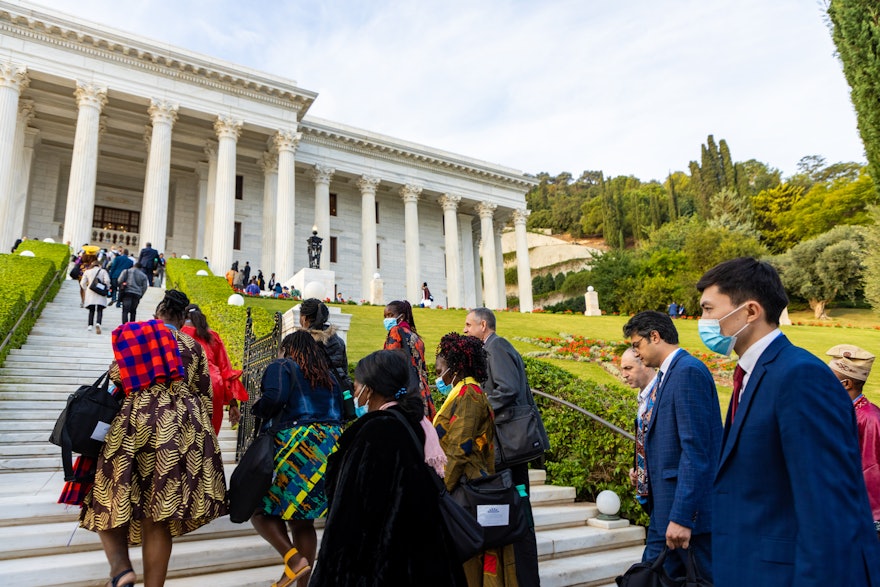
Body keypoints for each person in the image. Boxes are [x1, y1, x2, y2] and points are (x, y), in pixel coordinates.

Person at [696, 257, 880, 586]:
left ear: (750, 311)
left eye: (709, 309)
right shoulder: (751, 375)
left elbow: (828, 512)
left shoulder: (800, 376)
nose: (702, 321)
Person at [72, 290, 227, 587]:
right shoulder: (192, 346)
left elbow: (116, 376)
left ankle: (121, 569)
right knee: (159, 515)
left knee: (107, 496)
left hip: (138, 421)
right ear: (183, 319)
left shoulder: (138, 337)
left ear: (157, 314)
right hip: (183, 428)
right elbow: (206, 394)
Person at [310, 350, 467, 586]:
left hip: (380, 564)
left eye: (356, 385)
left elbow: (349, 515)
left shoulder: (375, 431)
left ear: (369, 389)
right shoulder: (413, 423)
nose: (354, 393)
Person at [622, 311, 721, 580]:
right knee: (646, 578)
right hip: (664, 510)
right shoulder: (670, 374)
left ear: (655, 336)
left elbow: (695, 451)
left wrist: (682, 516)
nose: (637, 353)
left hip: (685, 517)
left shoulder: (687, 372)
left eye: (637, 345)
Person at [251, 331, 344, 587]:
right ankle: (303, 584)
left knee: (257, 508)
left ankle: (293, 560)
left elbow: (273, 399)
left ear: (287, 349)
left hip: (297, 443)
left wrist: (257, 407)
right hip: (329, 445)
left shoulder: (282, 365)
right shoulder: (328, 375)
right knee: (303, 520)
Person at [463, 307, 548, 586]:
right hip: (508, 446)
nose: (465, 330)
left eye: (468, 325)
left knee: (519, 512)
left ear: (483, 325)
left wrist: (479, 409)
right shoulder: (494, 347)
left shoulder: (496, 347)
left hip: (510, 448)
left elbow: (507, 389)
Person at [434, 332, 516, 585]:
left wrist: (440, 492)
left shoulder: (468, 394)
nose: (438, 377)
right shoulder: (464, 391)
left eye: (439, 370)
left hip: (464, 487)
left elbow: (460, 448)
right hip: (463, 484)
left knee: (468, 563)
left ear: (455, 367)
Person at [826, 344, 880, 537]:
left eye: (828, 379)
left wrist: (875, 523)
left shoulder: (870, 418)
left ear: (846, 384)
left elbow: (872, 469)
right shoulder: (839, 411)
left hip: (859, 518)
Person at [181, 304, 248, 435]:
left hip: (187, 385)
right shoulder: (212, 336)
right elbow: (225, 370)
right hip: (213, 385)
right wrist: (233, 403)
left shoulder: (179, 333)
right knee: (209, 436)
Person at [383, 300, 435, 419]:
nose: (387, 319)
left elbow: (389, 363)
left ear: (402, 317)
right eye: (385, 316)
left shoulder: (395, 331)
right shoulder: (415, 336)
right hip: (422, 390)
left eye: (390, 315)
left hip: (406, 391)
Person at [80, 259, 110, 335]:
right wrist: (107, 288)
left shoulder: (87, 271)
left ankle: (90, 325)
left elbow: (82, 283)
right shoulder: (103, 271)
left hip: (91, 291)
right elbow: (107, 281)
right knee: (100, 309)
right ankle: (98, 323)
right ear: (99, 265)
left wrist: (86, 289)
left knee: (91, 309)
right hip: (100, 291)